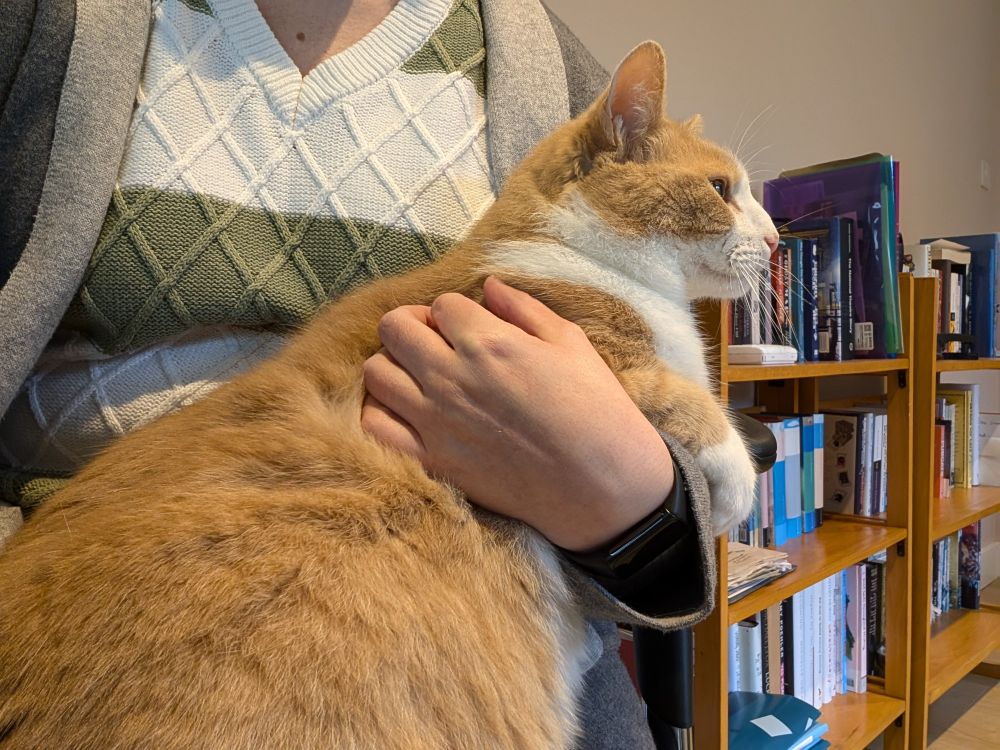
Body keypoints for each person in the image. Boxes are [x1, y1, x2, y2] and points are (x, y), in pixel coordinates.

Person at [0, 1, 718, 747]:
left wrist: (624, 496)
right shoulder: (56, 24)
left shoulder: (536, 57)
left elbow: (681, 515)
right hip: (86, 609)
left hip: (486, 626)